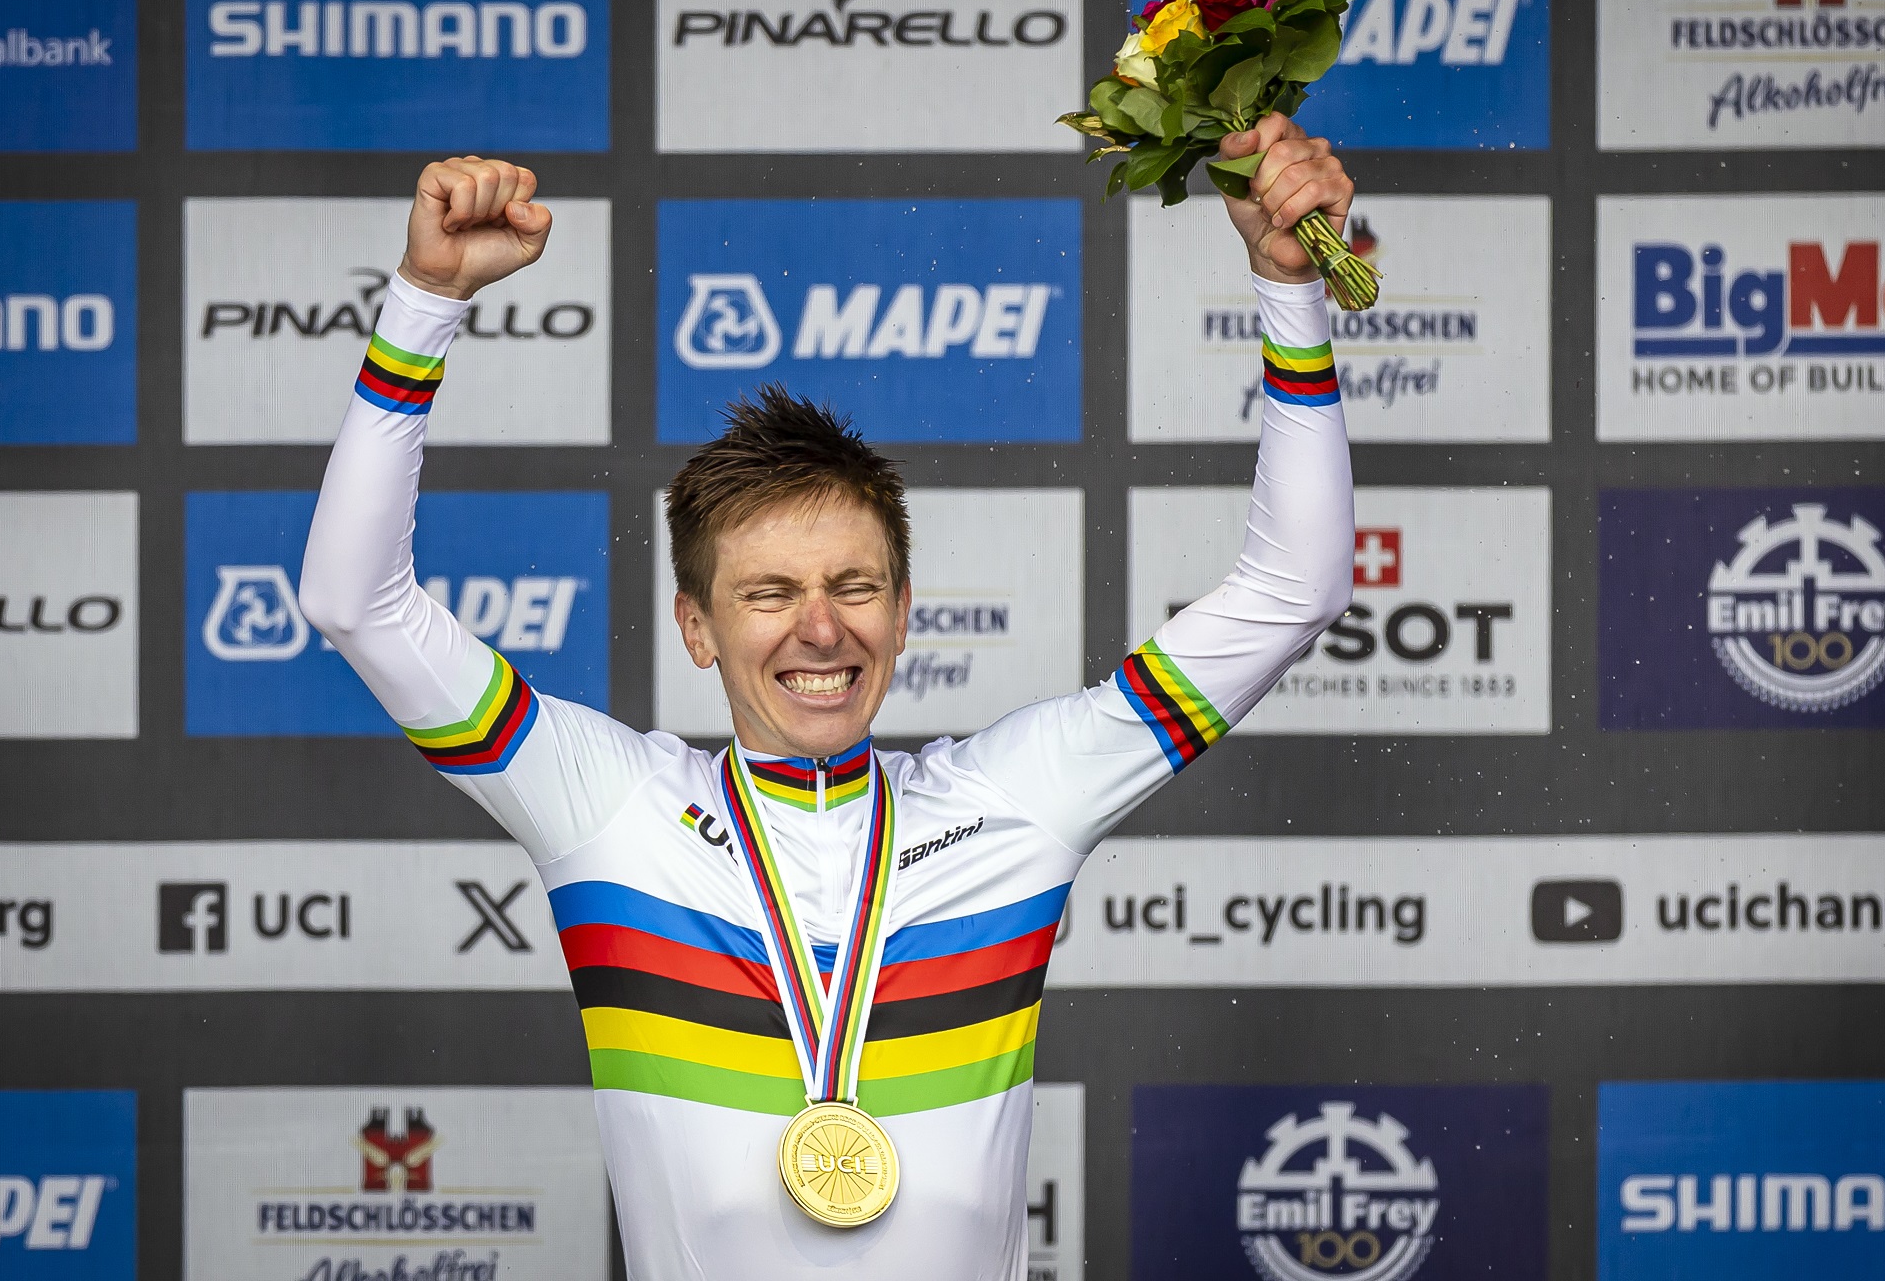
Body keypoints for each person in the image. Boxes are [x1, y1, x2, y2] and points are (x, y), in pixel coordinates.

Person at [298, 113, 1357, 1280]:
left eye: (856, 584)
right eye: (768, 592)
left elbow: (1295, 587)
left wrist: (1289, 292)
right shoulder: (609, 808)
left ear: (904, 612)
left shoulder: (1014, 800)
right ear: (696, 628)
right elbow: (356, 599)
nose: (820, 625)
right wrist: (423, 304)